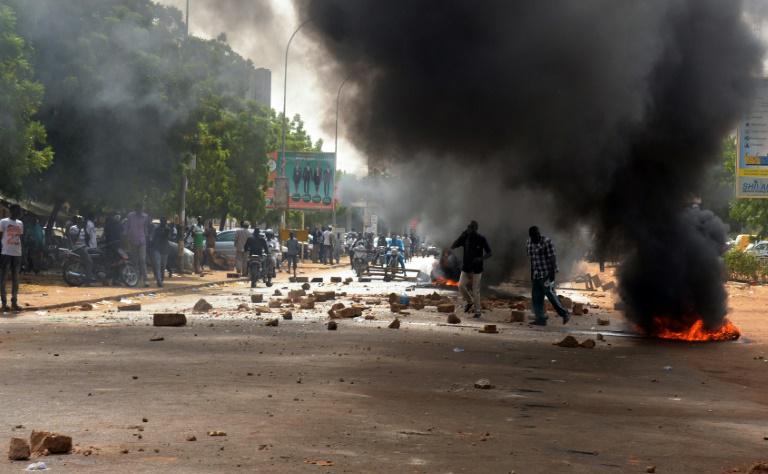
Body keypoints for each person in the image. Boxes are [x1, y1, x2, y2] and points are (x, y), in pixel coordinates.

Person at [526, 226, 570, 325]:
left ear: (539, 233)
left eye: (537, 235)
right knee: (536, 297)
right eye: (534, 236)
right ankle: (541, 319)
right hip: (537, 274)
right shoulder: (529, 243)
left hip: (546, 273)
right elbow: (532, 260)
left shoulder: (547, 242)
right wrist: (532, 274)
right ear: (530, 236)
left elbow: (552, 258)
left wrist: (552, 274)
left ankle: (565, 313)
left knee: (550, 294)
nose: (536, 238)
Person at [451, 221, 492, 318]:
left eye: (471, 227)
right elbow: (453, 246)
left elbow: (489, 253)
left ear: (475, 229)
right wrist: (462, 235)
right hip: (466, 268)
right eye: (469, 227)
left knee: (475, 290)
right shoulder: (465, 237)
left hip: (477, 268)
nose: (469, 229)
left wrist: (480, 259)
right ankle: (469, 301)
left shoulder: (481, 239)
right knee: (460, 286)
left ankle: (478, 312)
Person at [0, 205, 24, 312]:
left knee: (16, 279)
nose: (19, 212)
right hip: (5, 253)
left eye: (19, 211)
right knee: (3, 278)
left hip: (17, 253)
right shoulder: (3, 222)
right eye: (17, 210)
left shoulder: (20, 223)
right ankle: (4, 303)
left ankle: (14, 302)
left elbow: (20, 238)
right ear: (11, 211)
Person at [126, 205, 150, 287]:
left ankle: (146, 280)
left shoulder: (145, 216)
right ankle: (136, 279)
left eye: (141, 209)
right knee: (134, 261)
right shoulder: (130, 216)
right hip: (132, 241)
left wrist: (147, 239)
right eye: (138, 209)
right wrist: (127, 237)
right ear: (135, 209)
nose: (139, 211)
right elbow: (127, 227)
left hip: (142, 241)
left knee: (142, 260)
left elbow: (146, 229)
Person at [69, 216, 95, 283]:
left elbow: (86, 238)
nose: (83, 223)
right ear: (78, 221)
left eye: (83, 221)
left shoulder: (83, 228)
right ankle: (88, 278)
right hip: (77, 247)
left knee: (97, 252)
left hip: (84, 246)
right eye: (81, 221)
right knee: (89, 261)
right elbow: (73, 240)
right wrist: (80, 230)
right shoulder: (73, 228)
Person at [151, 217, 171, 287]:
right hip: (157, 249)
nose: (163, 223)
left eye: (164, 222)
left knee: (163, 267)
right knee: (158, 266)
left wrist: (166, 232)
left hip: (164, 249)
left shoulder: (167, 229)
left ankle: (161, 280)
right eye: (162, 221)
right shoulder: (156, 229)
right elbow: (152, 238)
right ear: (161, 222)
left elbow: (168, 237)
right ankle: (159, 281)